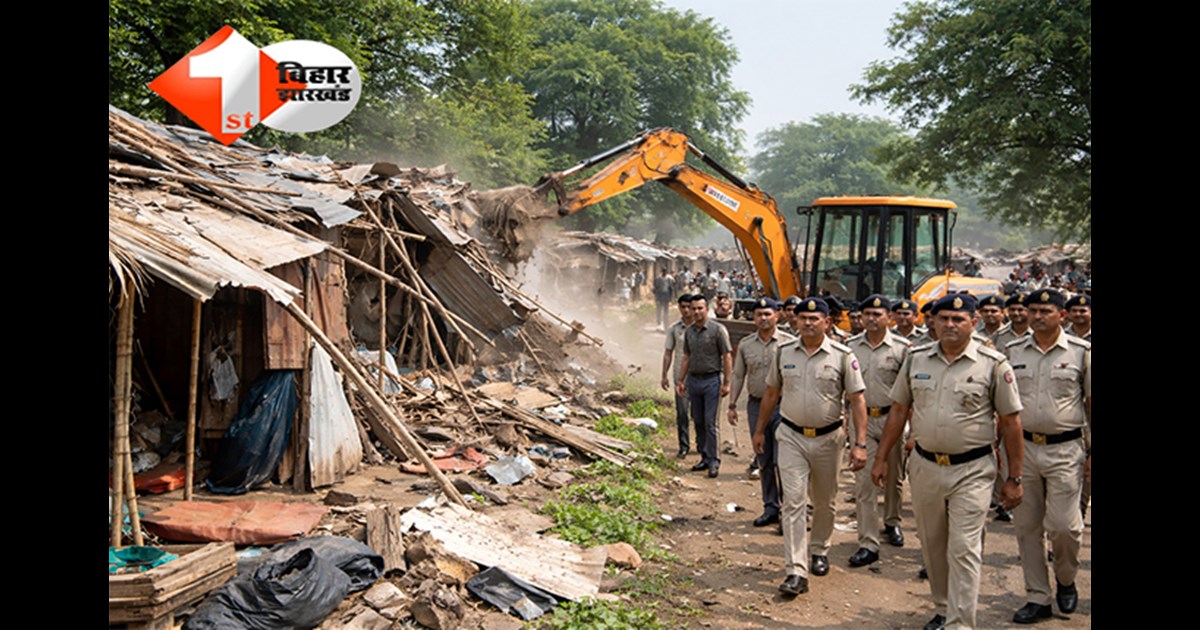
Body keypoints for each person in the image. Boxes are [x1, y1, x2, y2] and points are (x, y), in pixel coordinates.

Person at [872, 293, 1024, 630]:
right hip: (925, 465)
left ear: (973, 322)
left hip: (973, 469)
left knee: (964, 547)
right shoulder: (917, 360)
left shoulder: (993, 363)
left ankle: (959, 623)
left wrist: (1014, 476)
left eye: (959, 319)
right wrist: (881, 457)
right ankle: (943, 608)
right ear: (934, 322)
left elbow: (1011, 421)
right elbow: (899, 409)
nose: (950, 324)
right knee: (933, 543)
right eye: (944, 319)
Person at [754, 297, 868, 597]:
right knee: (793, 501)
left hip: (829, 439)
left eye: (814, 318)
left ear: (827, 322)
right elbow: (771, 392)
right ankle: (796, 570)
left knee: (825, 500)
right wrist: (759, 430)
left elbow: (857, 400)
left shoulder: (843, 356)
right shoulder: (784, 353)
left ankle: (819, 549)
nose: (807, 322)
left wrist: (860, 443)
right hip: (791, 435)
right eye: (803, 318)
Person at [1003, 289, 1091, 624]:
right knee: (1027, 526)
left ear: (1061, 315)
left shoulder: (1081, 353)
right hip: (1023, 449)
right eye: (1033, 311)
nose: (1037, 316)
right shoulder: (1012, 351)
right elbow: (1002, 407)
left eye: (1046, 311)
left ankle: (1066, 579)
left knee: (1065, 526)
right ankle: (1037, 596)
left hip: (1066, 449)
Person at [846, 295, 913, 567]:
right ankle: (868, 542)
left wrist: (912, 430)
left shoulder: (902, 349)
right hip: (861, 421)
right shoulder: (850, 347)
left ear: (889, 317)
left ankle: (892, 521)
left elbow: (910, 393)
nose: (871, 319)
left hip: (891, 420)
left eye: (877, 314)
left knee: (894, 476)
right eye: (867, 314)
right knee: (864, 481)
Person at [728, 298, 795, 526]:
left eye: (767, 314)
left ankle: (789, 510)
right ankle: (770, 507)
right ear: (753, 317)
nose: (763, 318)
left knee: (783, 461)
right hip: (756, 406)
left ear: (777, 315)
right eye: (759, 314)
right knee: (763, 459)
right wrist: (731, 404)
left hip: (785, 407)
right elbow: (738, 375)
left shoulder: (790, 344)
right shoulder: (746, 345)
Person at [677, 294, 732, 478]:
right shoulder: (689, 332)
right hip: (693, 381)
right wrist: (681, 380)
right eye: (693, 308)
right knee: (698, 420)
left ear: (707, 309)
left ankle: (714, 461)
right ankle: (705, 457)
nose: (696, 312)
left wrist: (726, 383)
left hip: (712, 381)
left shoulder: (718, 330)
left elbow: (727, 356)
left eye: (700, 308)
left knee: (710, 422)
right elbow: (686, 357)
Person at [662, 294, 695, 459]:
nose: (686, 310)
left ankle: (702, 444)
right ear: (679, 307)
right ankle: (683, 446)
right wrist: (664, 375)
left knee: (699, 414)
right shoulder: (674, 329)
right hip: (680, 377)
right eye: (683, 307)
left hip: (699, 376)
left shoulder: (703, 327)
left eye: (689, 307)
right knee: (682, 412)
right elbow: (668, 352)